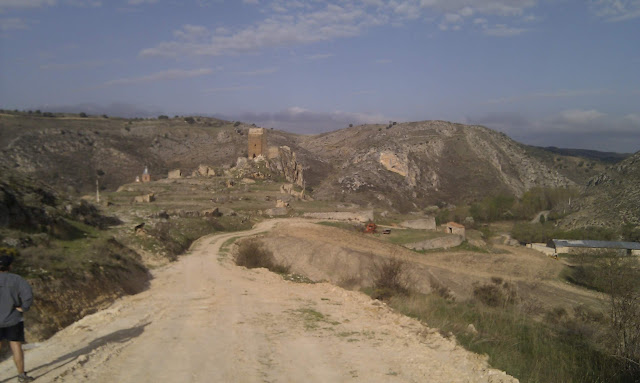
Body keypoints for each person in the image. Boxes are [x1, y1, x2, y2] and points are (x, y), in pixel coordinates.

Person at [0, 251, 34, 382]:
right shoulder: (17, 279)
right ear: (10, 266)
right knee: (16, 347)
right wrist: (24, 307)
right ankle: (21, 376)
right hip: (13, 319)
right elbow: (28, 295)